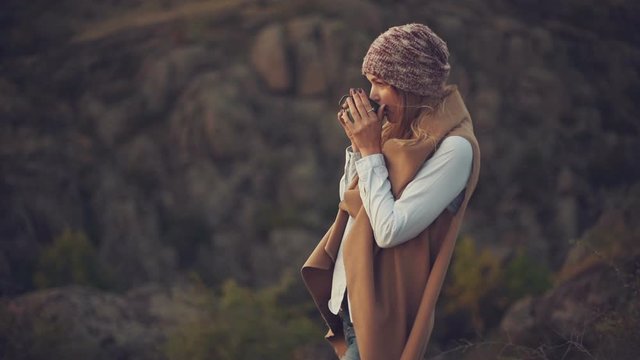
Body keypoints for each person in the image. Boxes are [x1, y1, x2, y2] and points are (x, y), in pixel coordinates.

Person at [301, 23, 481, 360]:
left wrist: (370, 153)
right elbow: (351, 202)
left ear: (410, 86)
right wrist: (359, 148)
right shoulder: (399, 133)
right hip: (352, 309)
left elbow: (389, 229)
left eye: (381, 83)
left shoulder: (455, 148)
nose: (372, 95)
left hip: (381, 319)